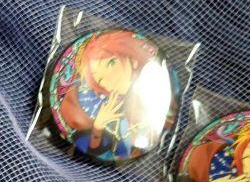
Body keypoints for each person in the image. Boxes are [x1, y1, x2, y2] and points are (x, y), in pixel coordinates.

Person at [55, 30, 170, 161]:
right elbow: (92, 148)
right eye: (100, 79)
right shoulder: (110, 109)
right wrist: (98, 126)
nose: (108, 79)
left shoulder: (156, 86)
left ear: (132, 58)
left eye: (110, 64)